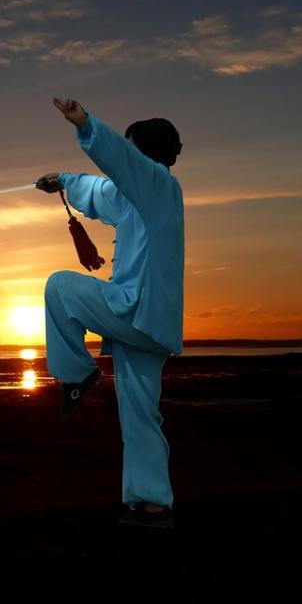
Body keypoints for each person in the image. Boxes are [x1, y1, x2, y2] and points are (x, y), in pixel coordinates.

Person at [38, 97, 184, 529]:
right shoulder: (140, 197)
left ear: (144, 155)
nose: (126, 157)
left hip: (135, 312)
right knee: (140, 414)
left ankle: (77, 373)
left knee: (60, 287)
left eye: (131, 148)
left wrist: (85, 124)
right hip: (150, 325)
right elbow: (102, 191)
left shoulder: (159, 185)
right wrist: (63, 180)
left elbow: (120, 161)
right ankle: (153, 505)